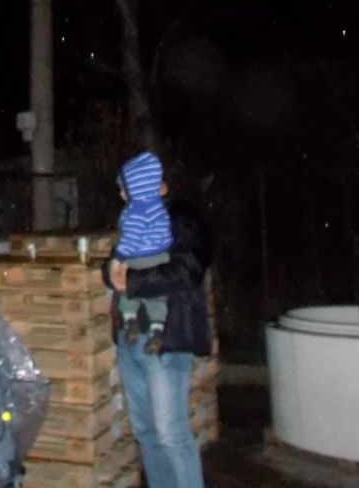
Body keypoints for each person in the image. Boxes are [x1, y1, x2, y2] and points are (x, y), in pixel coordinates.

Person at [105, 184, 212, 488]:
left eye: (127, 188)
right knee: (146, 433)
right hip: (129, 339)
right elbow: (115, 266)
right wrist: (110, 270)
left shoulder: (181, 217)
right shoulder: (132, 219)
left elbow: (188, 271)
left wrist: (132, 281)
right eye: (121, 189)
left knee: (170, 434)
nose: (122, 195)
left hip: (166, 339)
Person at [113, 151, 175, 354]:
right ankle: (157, 329)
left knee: (128, 290)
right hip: (161, 258)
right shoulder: (159, 208)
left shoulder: (135, 212)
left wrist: (118, 259)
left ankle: (130, 320)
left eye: (124, 189)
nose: (121, 194)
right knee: (157, 298)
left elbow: (130, 238)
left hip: (139, 258)